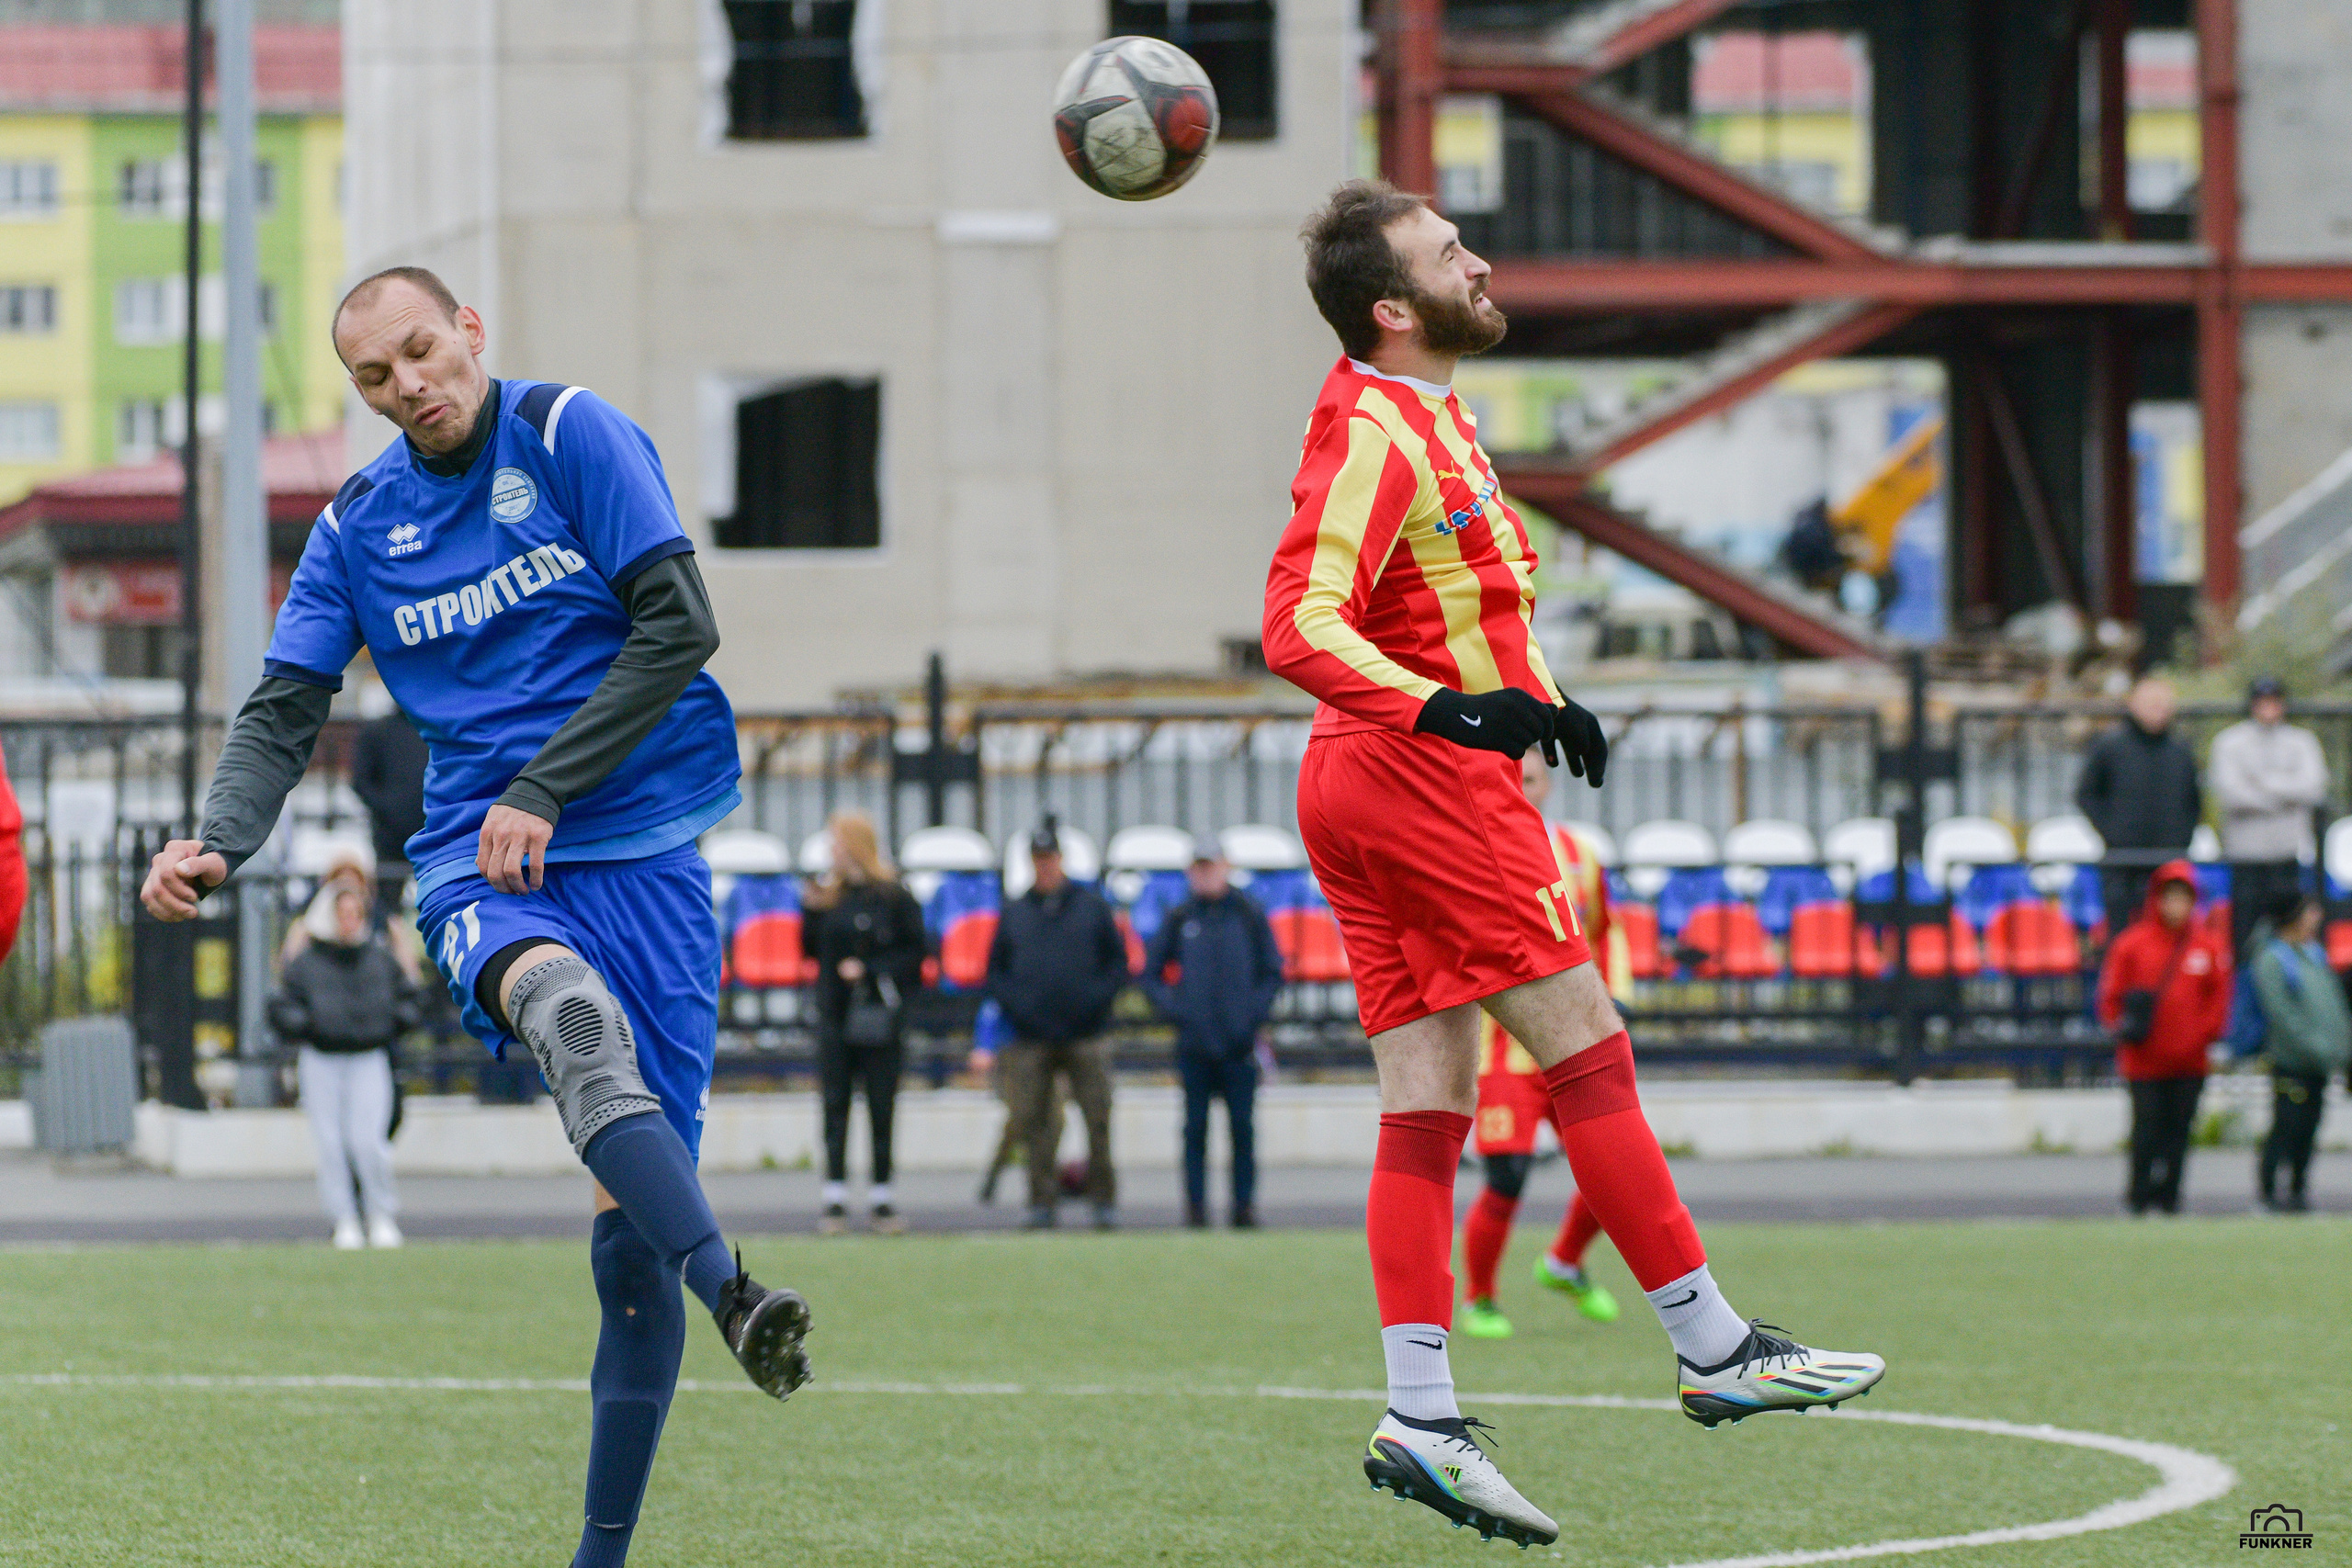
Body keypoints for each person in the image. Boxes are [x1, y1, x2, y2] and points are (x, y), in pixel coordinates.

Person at [137, 265, 809, 1568]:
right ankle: (735, 1289)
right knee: (567, 1015)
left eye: (423, 351)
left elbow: (682, 624)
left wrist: (550, 782)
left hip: (647, 847)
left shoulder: (571, 434)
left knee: (627, 1244)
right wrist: (218, 839)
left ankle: (598, 1554)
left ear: (471, 332)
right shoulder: (356, 524)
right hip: (479, 859)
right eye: (377, 376)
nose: (410, 386)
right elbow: (285, 706)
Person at [1261, 181, 1883, 1548]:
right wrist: (1452, 713)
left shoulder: (1426, 416)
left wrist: (1537, 695)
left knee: (1429, 1092)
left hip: (1375, 781)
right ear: (1391, 307)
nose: (1477, 260)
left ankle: (1421, 1414)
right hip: (1419, 779)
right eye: (1446, 254)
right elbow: (1297, 621)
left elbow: (1455, 601)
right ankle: (1714, 1348)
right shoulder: (1375, 421)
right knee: (1584, 1047)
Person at [1459, 750, 1628, 1340]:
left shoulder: (1581, 855)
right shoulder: (1472, 853)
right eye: (1510, 779)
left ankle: (1564, 1262)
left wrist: (1615, 1001)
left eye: (1528, 778)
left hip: (1575, 1044)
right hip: (1503, 1049)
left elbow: (1608, 934)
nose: (1521, 788)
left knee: (1614, 1165)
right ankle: (1480, 1298)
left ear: (1547, 784)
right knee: (1507, 1174)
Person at [986, 822, 1128, 1230]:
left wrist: (1094, 1005)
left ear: (1060, 859)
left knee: (1097, 1117)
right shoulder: (1015, 912)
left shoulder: (1091, 907)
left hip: (1086, 1032)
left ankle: (1103, 1200)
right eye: (1038, 859)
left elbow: (1117, 965)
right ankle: (1041, 1202)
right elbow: (996, 973)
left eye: (1049, 858)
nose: (1044, 866)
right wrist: (1021, 1010)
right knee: (1035, 1124)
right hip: (1031, 1036)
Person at [1139, 842, 1284, 1228]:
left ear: (1226, 867)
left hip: (1239, 1044)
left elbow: (1272, 970)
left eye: (1211, 866)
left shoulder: (1249, 914)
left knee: (1242, 1128)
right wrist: (1178, 1013)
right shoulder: (1180, 916)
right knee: (1194, 1129)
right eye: (1198, 868)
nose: (1205, 875)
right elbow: (1150, 974)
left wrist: (1252, 1015)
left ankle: (1244, 1206)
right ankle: (1196, 1208)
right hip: (1195, 1045)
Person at [271, 880, 419, 1248]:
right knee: (331, 1145)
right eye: (343, 912)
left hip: (369, 1057)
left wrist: (388, 1026)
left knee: (368, 1142)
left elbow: (409, 998)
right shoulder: (307, 962)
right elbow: (282, 1004)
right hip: (321, 1059)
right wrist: (310, 1027)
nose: (350, 920)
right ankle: (345, 1219)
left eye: (356, 913)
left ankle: (381, 1215)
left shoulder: (379, 958)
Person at [802, 811, 928, 1235]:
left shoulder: (894, 897)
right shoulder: (830, 899)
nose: (831, 853)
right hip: (836, 1016)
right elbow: (810, 951)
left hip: (879, 1017)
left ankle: (882, 1194)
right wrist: (811, 911)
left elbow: (916, 954)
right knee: (835, 1102)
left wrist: (872, 970)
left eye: (837, 843)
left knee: (880, 1101)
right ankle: (834, 1193)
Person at [2095, 861, 2232, 1214]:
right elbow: (2111, 996)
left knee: (2179, 1133)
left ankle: (2170, 1198)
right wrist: (2121, 1027)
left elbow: (2219, 998)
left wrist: (2203, 1035)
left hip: (2189, 1060)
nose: (2175, 906)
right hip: (2144, 1059)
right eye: (2168, 897)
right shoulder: (2132, 944)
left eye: (2183, 898)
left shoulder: (2208, 945)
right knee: (2146, 1131)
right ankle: (2138, 1198)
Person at [2244, 889, 2351, 1212]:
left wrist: (2341, 1049)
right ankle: (2268, 1192)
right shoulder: (2272, 958)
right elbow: (2283, 1015)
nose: (2316, 917)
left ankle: (2298, 1190)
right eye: (2309, 911)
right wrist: (2318, 1048)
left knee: (2310, 1127)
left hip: (2320, 1061)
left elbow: (2333, 1008)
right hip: (2292, 1062)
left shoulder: (2313, 954)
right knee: (2287, 1125)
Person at [2209, 676, 2330, 960]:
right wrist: (2286, 796)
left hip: (2287, 855)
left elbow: (2313, 788)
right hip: (2246, 858)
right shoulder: (2230, 742)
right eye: (2262, 701)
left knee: (2289, 936)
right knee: (2245, 943)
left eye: (2274, 701)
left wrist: (2261, 783)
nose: (2268, 708)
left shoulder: (2301, 741)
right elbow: (2231, 795)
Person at [2075, 675, 2203, 942]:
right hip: (2122, 861)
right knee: (2122, 939)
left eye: (2163, 704)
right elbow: (2086, 795)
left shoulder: (2181, 749)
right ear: (2133, 704)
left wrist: (2182, 839)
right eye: (2150, 703)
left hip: (2169, 860)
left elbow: (2194, 801)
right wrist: (2112, 833)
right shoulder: (2109, 746)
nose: (2157, 710)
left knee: (2170, 939)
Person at [350, 681, 431, 920]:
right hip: (390, 838)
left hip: (433, 833)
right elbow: (360, 781)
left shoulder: (435, 731)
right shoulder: (377, 732)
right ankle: (386, 953)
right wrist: (388, 809)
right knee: (386, 908)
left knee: (440, 899)